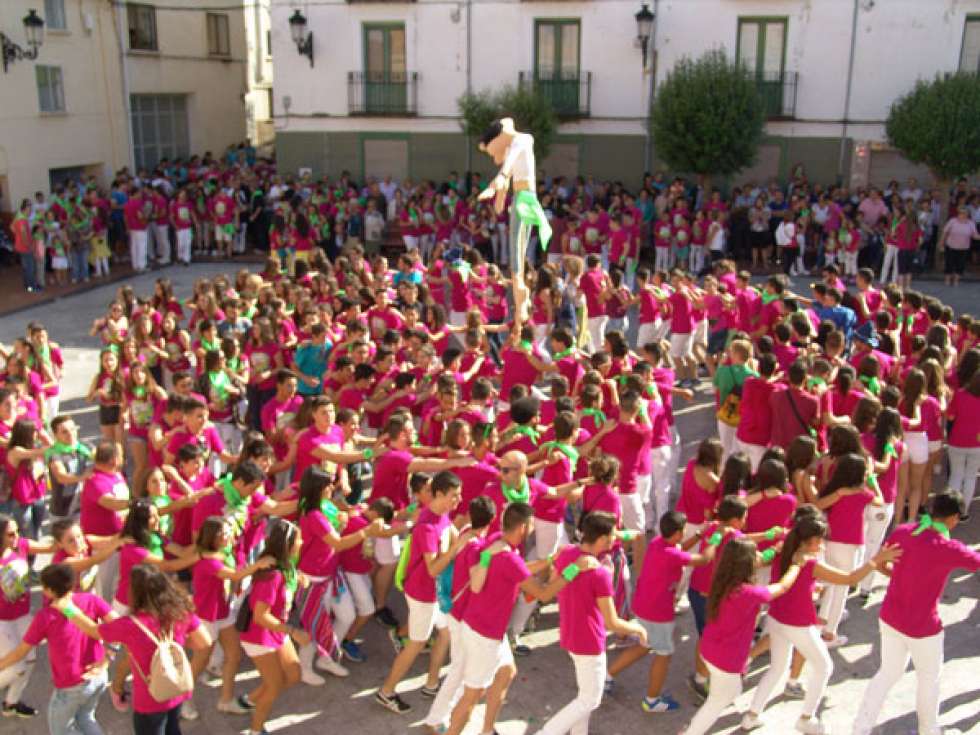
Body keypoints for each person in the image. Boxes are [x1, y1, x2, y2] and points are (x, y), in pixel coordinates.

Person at [742, 514, 901, 734]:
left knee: (777, 668)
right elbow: (849, 578)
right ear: (812, 540)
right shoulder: (809, 562)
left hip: (777, 618)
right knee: (825, 667)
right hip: (797, 624)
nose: (823, 544)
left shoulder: (784, 551)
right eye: (821, 540)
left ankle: (751, 715)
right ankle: (806, 718)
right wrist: (876, 560)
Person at [59, 563, 211, 735]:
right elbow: (204, 642)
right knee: (173, 729)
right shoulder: (180, 611)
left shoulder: (131, 625)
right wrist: (178, 640)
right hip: (176, 689)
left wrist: (68, 609)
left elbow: (93, 630)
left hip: (149, 699)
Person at [535, 511, 647, 735]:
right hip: (589, 642)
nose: (616, 539)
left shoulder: (567, 553)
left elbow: (552, 582)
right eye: (613, 535)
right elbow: (612, 622)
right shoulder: (600, 574)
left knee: (583, 695)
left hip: (570, 634)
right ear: (603, 539)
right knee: (590, 700)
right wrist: (638, 628)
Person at [680, 538, 802, 735]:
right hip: (725, 658)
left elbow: (761, 561)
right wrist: (796, 565)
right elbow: (782, 588)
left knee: (725, 694)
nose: (761, 557)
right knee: (719, 701)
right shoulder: (748, 593)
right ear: (747, 564)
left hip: (710, 649)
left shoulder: (724, 581)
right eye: (757, 555)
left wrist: (774, 550)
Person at [0, 563, 113, 734]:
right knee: (86, 717)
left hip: (70, 686)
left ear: (50, 591)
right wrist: (109, 656)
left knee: (62, 731)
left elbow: (20, 652)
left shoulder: (45, 617)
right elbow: (119, 625)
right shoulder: (91, 600)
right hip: (98, 678)